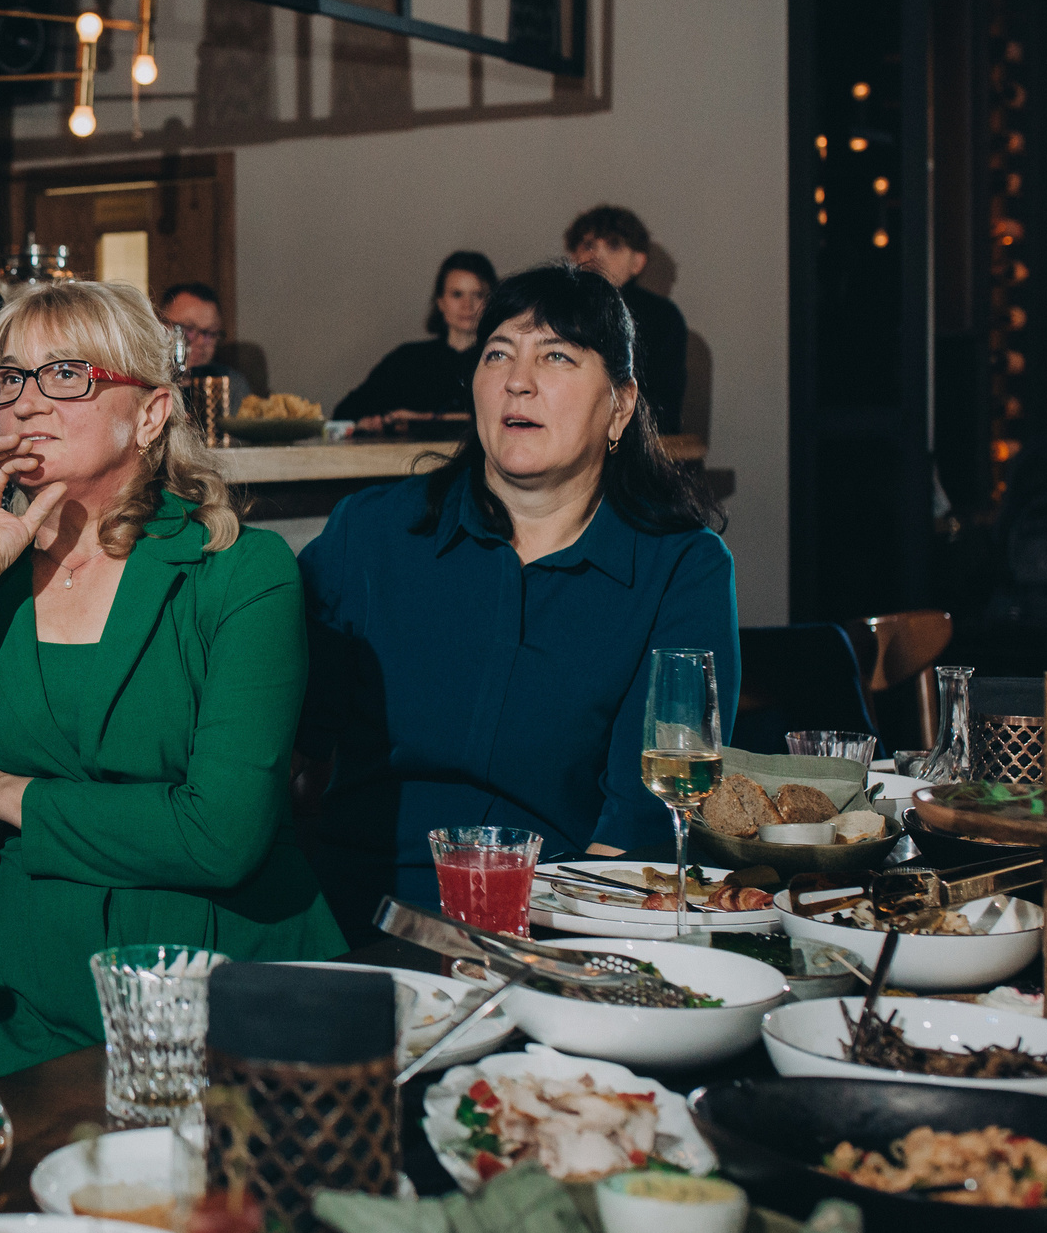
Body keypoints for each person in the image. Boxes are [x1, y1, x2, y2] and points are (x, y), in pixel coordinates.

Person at [0, 281, 347, 1077]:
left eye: (68, 375)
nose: (26, 403)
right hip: (39, 1003)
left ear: (151, 414)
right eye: (10, 378)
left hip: (228, 996)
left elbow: (219, 836)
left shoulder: (241, 572)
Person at [297, 262, 736, 933]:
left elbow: (639, 825)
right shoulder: (372, 532)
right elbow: (289, 755)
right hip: (354, 924)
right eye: (497, 352)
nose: (517, 379)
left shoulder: (682, 568)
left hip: (559, 930)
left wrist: (538, 964)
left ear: (619, 405)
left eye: (556, 354)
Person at [333, 251, 496, 430]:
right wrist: (365, 424)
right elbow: (344, 412)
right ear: (440, 302)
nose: (468, 305)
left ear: (491, 301)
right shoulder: (407, 360)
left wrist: (419, 418)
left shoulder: (500, 360)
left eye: (478, 295)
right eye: (457, 294)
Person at [564, 205, 687, 434]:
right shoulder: (555, 309)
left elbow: (664, 404)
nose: (597, 255)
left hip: (634, 438)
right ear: (573, 257)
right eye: (588, 245)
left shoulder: (662, 317)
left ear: (638, 262)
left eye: (613, 245)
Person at [156, 282, 249, 414]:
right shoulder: (144, 383)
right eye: (188, 329)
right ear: (161, 325)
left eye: (210, 333)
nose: (200, 342)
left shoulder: (231, 385)